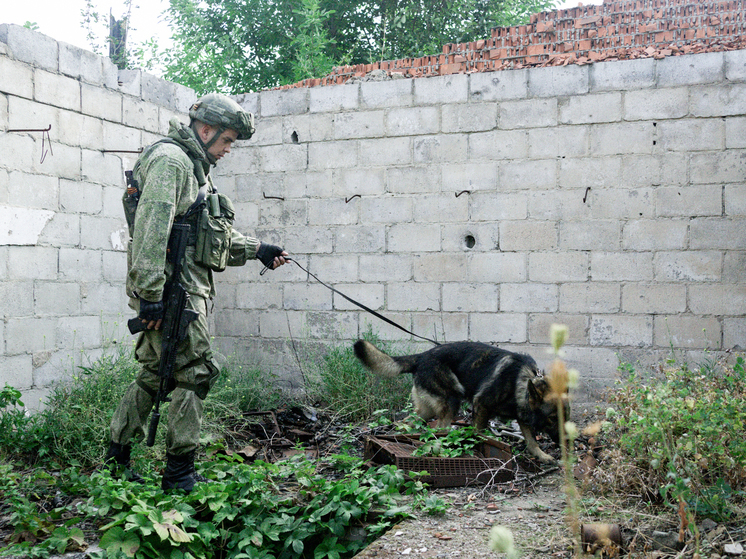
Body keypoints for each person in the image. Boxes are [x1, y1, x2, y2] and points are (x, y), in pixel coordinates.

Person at [105, 93, 288, 492]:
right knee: (195, 373)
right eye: (226, 141)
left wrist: (257, 249)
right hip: (174, 294)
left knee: (155, 374)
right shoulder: (172, 162)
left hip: (182, 290)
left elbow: (205, 236)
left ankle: (115, 459)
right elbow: (152, 232)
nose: (226, 150)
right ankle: (179, 474)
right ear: (206, 130)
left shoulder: (194, 167)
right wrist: (152, 295)